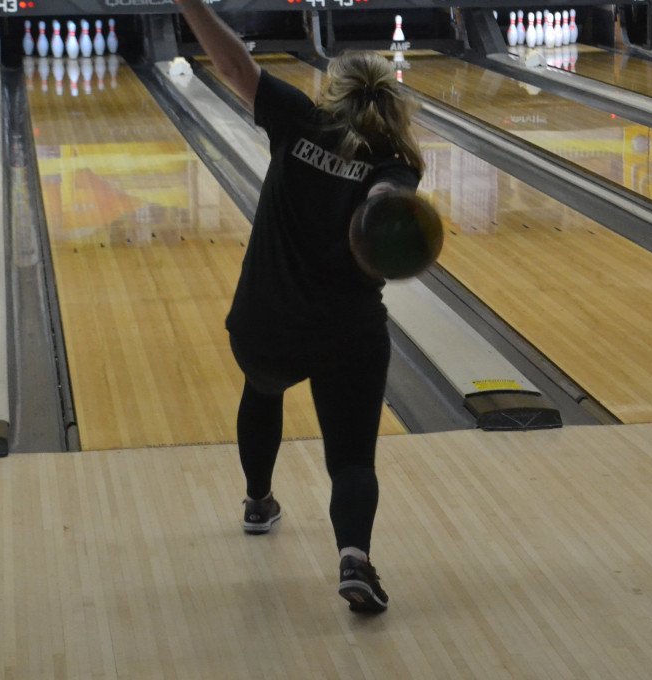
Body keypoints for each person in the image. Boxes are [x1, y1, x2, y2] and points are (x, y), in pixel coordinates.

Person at [174, 0, 426, 614]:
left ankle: (258, 502)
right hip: (347, 332)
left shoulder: (300, 121)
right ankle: (355, 561)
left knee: (262, 392)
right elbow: (390, 201)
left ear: (334, 93)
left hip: (267, 323)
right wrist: (384, 203)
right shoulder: (395, 164)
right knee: (350, 460)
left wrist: (188, 2)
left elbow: (235, 66)